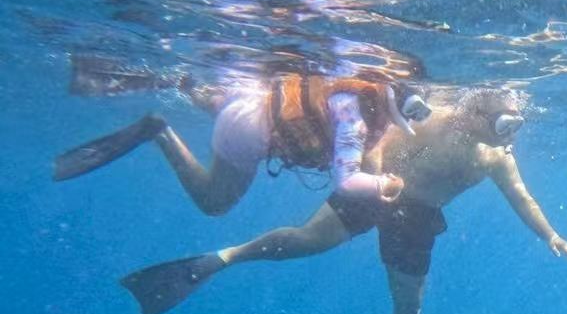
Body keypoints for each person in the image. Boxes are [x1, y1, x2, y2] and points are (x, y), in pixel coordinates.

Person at [119, 85, 567, 314]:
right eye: (505, 125)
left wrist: (550, 234)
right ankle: (222, 258)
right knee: (308, 239)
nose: (510, 135)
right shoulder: (432, 115)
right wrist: (375, 177)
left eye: (516, 126)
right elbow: (379, 136)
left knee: (408, 302)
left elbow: (522, 198)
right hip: (375, 191)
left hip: (417, 218)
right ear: (478, 109)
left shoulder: (497, 158)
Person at [52, 64, 433, 217]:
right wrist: (383, 184)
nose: (391, 125)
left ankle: (174, 80)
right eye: (394, 119)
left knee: (216, 101)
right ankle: (159, 131)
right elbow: (346, 181)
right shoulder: (355, 122)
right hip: (248, 134)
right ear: (385, 107)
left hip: (253, 101)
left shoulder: (351, 83)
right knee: (214, 203)